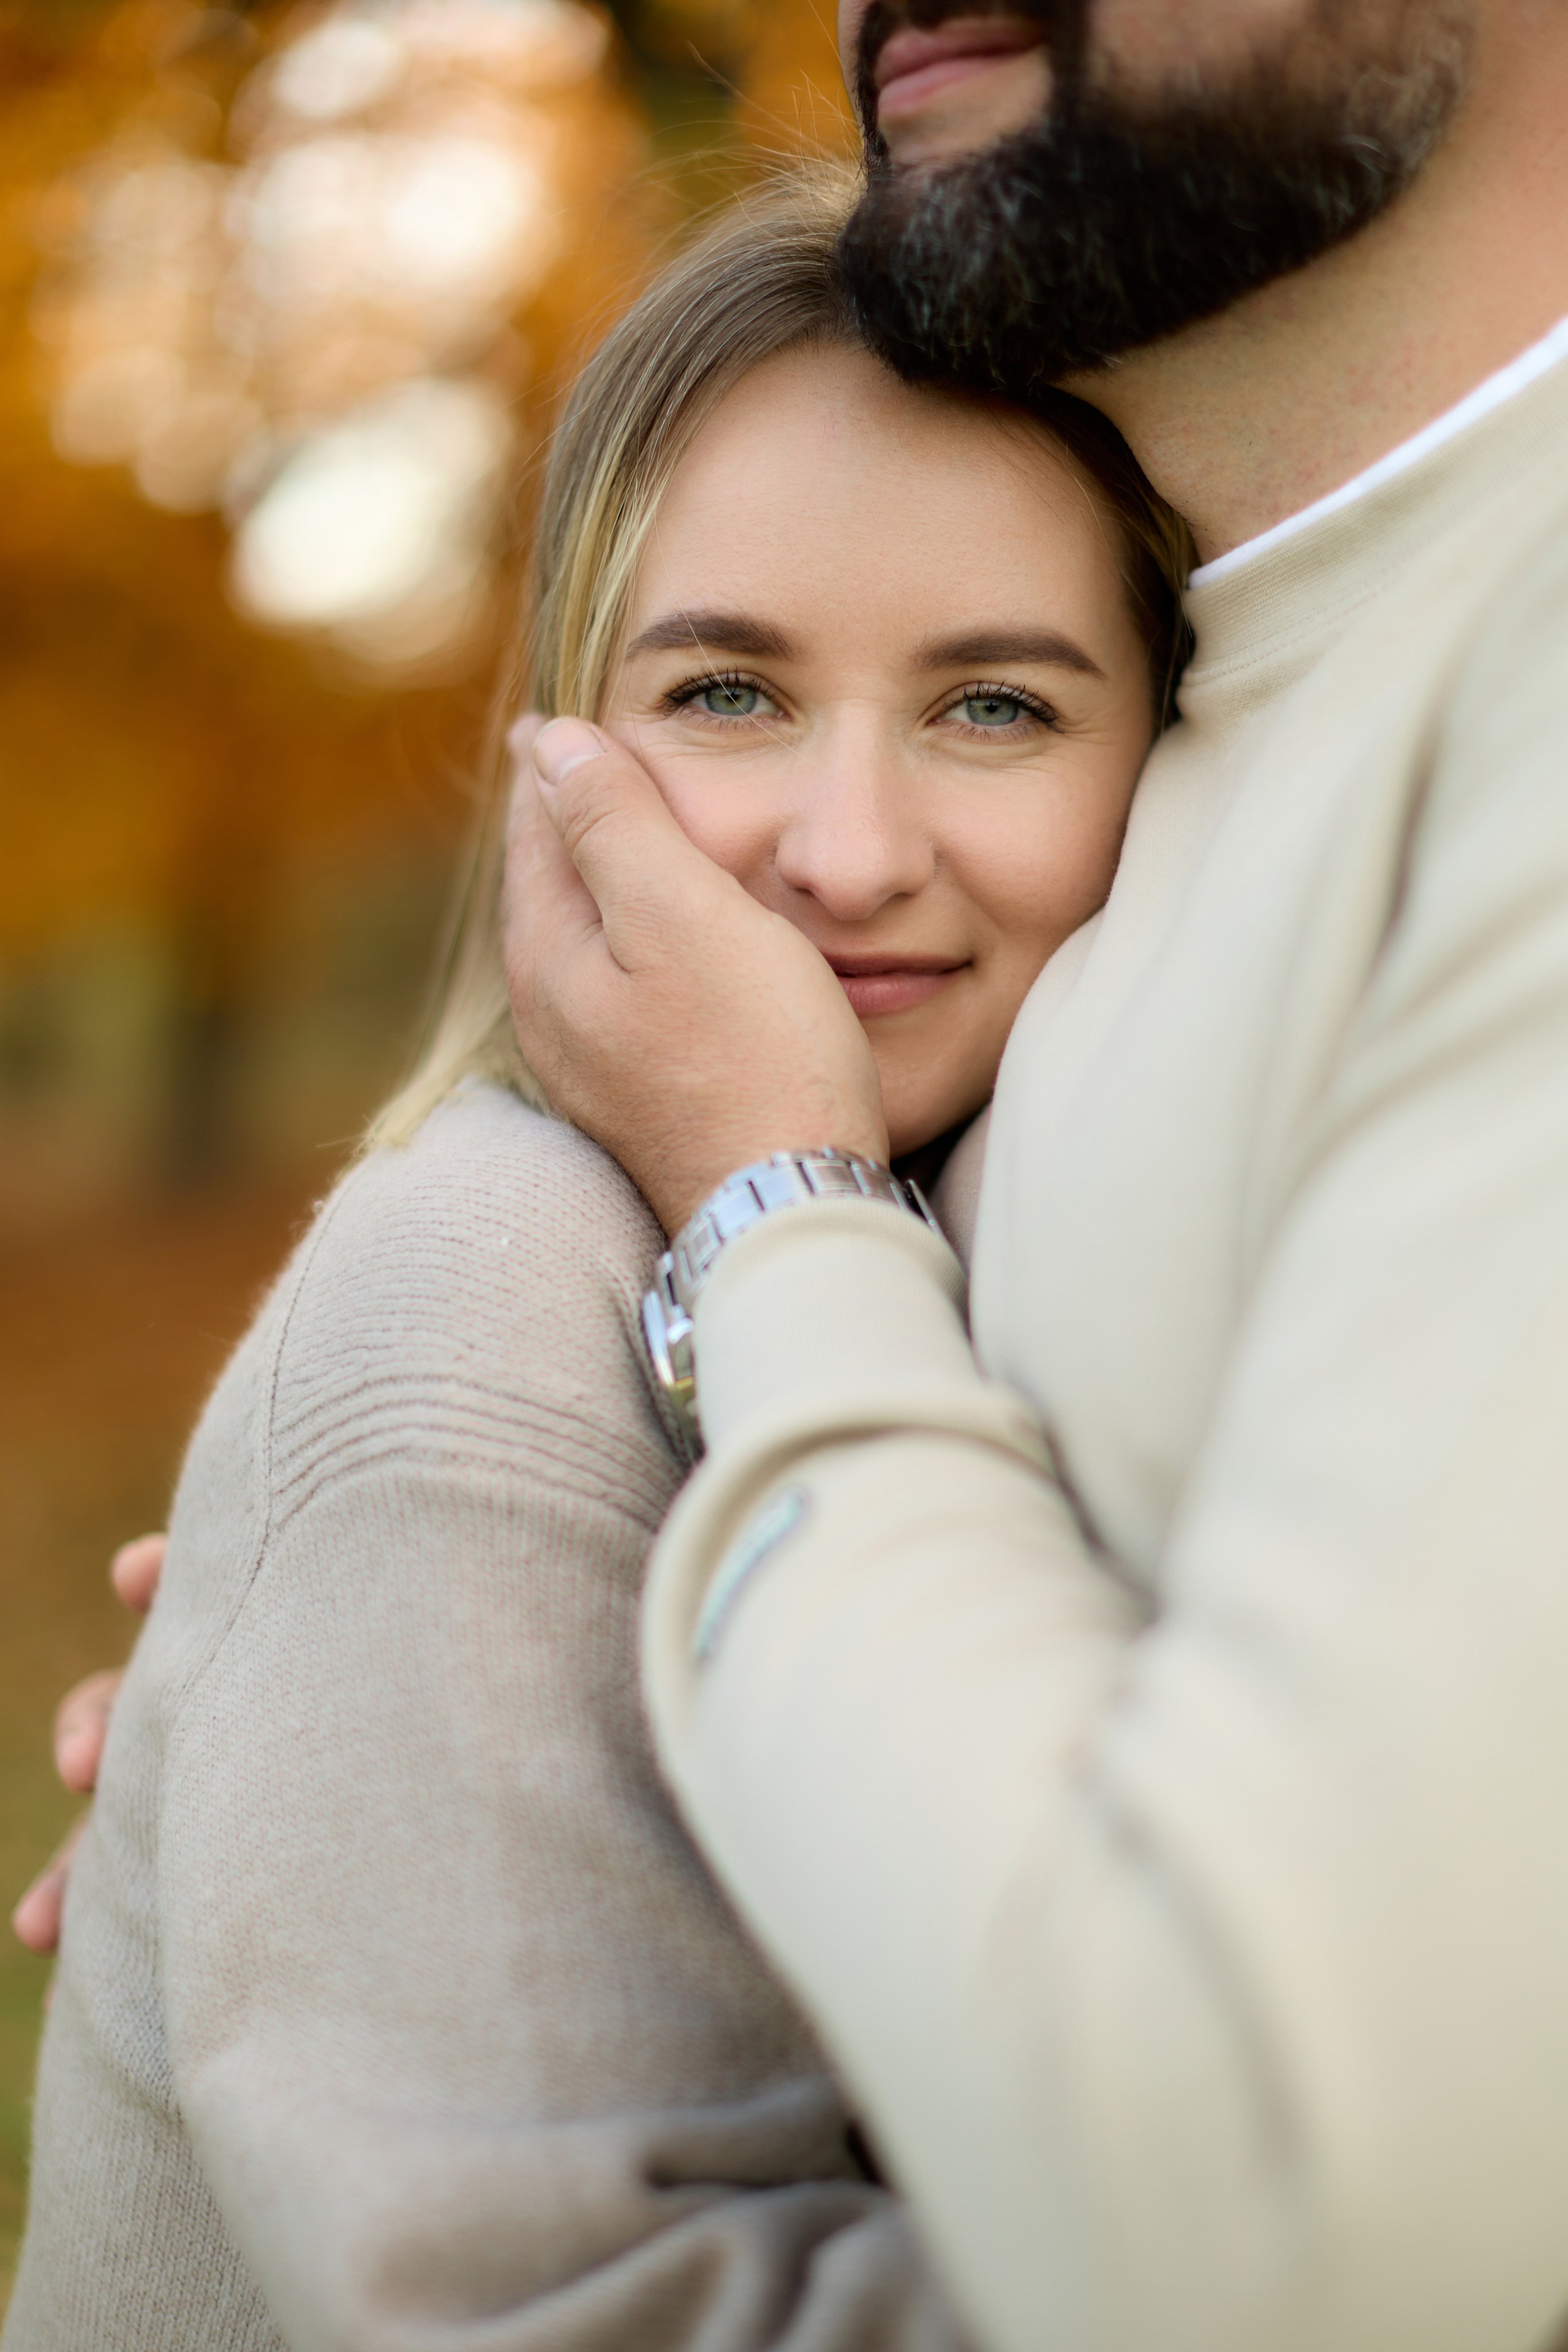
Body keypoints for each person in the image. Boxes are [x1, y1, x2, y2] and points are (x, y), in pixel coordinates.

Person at [3, 170, 1187, 2351]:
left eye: (996, 707)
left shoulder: (1018, 1238)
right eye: (730, 693)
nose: (843, 854)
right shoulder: (480, 1282)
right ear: (565, 737)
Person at [494, 6, 1568, 2351]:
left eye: (993, 701)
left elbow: (1287, 2238)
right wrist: (461, 1659)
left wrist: (771, 1223)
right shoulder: (1227, 712)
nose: (853, 842)